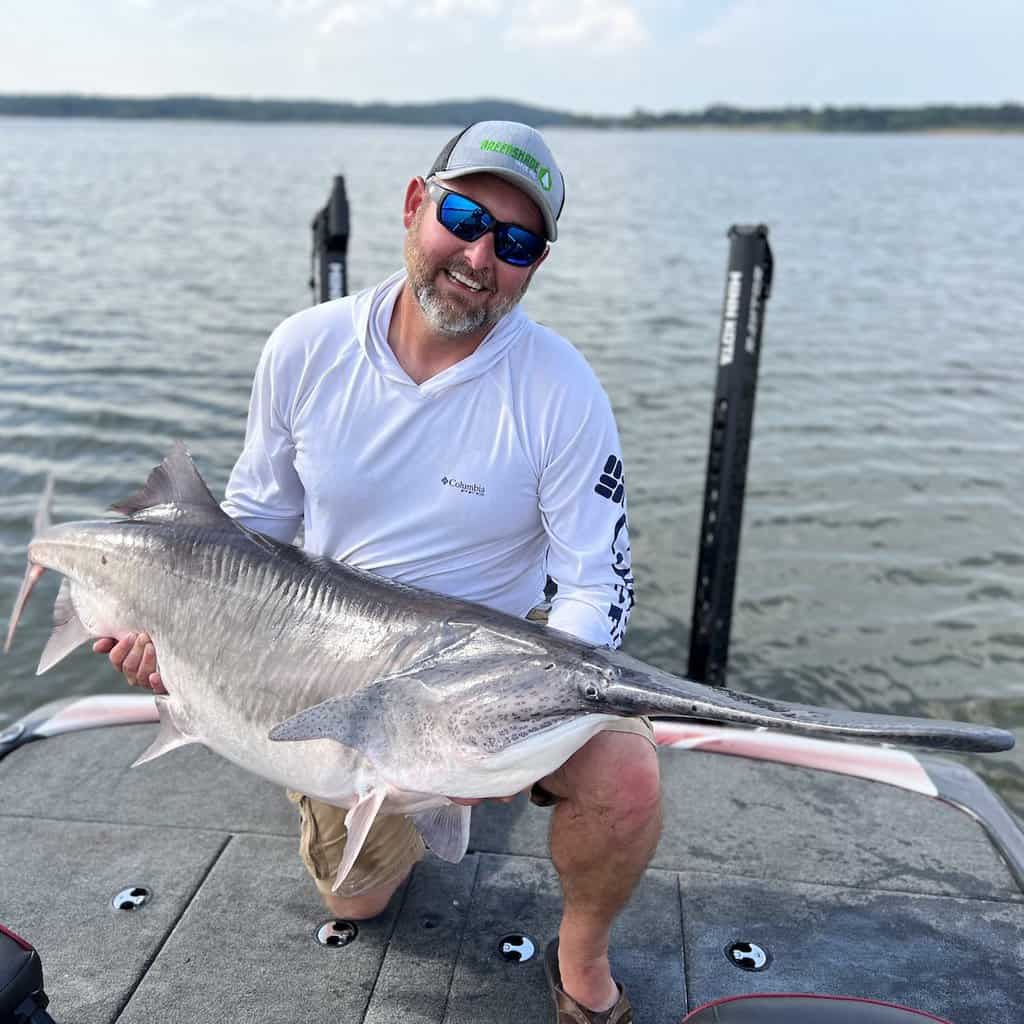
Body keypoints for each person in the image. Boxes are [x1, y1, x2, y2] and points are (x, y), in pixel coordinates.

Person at [96, 121, 660, 1024]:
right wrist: (171, 634)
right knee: (355, 902)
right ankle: (377, 793)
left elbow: (600, 583)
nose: (480, 256)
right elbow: (252, 531)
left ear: (535, 264)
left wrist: (525, 707)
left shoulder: (561, 391)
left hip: (484, 669)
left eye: (515, 242)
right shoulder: (305, 348)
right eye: (465, 217)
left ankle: (582, 963)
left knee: (627, 774)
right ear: (413, 204)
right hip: (327, 660)